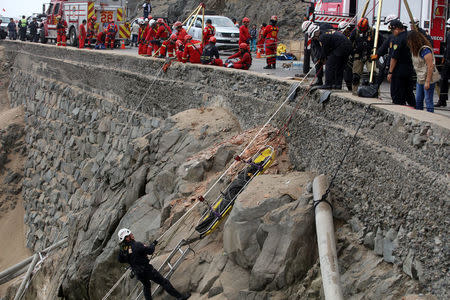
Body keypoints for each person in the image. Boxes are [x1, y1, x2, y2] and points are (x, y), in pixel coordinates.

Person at [117, 229, 190, 300]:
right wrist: (153, 245)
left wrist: (131, 257)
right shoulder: (137, 245)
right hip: (147, 270)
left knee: (147, 286)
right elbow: (150, 251)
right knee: (164, 282)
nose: (132, 235)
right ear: (127, 238)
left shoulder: (123, 249)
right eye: (130, 234)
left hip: (138, 273)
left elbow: (120, 260)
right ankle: (180, 297)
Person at [308, 24, 352, 89]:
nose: (315, 39)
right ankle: (337, 85)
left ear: (316, 33)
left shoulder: (322, 37)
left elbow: (325, 50)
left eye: (314, 37)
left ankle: (328, 84)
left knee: (329, 64)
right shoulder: (326, 32)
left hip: (341, 47)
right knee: (339, 67)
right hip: (347, 46)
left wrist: (321, 59)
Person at [407, 30, 440, 112]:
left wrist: (428, 81)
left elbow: (430, 66)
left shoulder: (425, 50)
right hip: (420, 78)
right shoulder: (416, 50)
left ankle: (430, 117)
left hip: (428, 78)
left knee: (428, 100)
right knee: (418, 100)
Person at [350, 17, 383, 93]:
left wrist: (377, 52)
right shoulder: (356, 32)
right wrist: (352, 53)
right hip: (358, 55)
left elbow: (382, 43)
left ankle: (376, 92)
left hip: (370, 55)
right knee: (355, 76)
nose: (361, 30)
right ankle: (354, 91)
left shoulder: (373, 32)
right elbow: (349, 43)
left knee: (373, 75)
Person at [387, 19, 416, 107]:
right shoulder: (410, 36)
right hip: (409, 68)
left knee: (398, 94)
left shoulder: (398, 39)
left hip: (399, 70)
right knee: (409, 92)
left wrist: (390, 72)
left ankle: (400, 107)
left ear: (396, 29)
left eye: (392, 31)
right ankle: (415, 108)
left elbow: (394, 57)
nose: (392, 33)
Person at [437, 18, 450, 107]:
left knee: (444, 80)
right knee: (444, 80)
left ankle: (442, 100)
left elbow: (448, 49)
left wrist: (445, 59)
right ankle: (442, 100)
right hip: (448, 60)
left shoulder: (449, 35)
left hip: (448, 62)